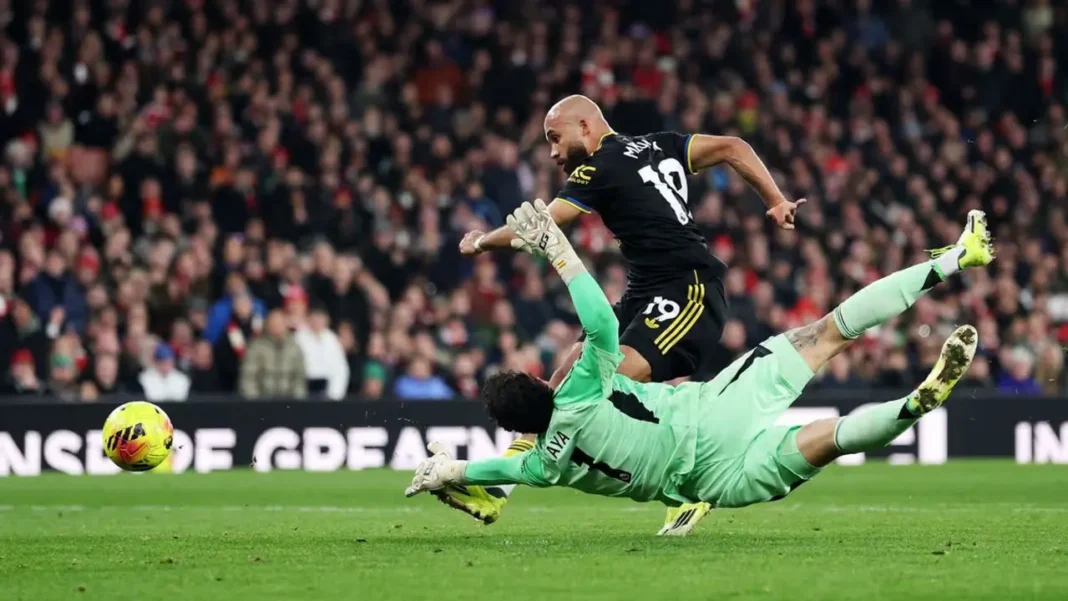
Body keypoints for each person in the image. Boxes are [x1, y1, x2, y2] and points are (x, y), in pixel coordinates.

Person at [406, 201, 994, 534]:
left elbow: (487, 466)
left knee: (830, 440)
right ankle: (953, 260)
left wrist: (452, 472)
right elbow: (602, 326)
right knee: (826, 334)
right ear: (540, 382)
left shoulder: (540, 466)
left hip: (709, 485)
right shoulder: (579, 388)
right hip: (709, 419)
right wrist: (558, 249)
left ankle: (913, 406)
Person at [445, 94, 805, 532]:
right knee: (562, 382)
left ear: (585, 126)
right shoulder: (661, 144)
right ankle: (499, 488)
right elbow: (732, 145)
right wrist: (775, 199)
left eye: (556, 139)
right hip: (646, 290)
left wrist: (482, 241)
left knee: (609, 382)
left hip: (689, 288)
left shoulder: (599, 167)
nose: (554, 152)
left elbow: (545, 225)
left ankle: (687, 489)